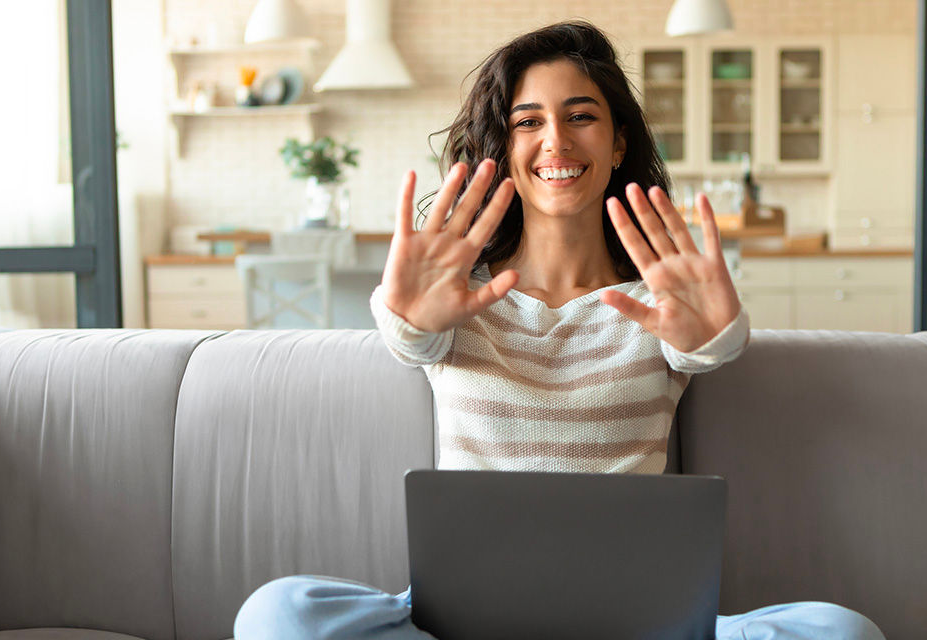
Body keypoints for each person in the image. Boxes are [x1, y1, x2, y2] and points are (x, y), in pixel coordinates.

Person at [234, 20, 885, 640]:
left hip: (637, 620)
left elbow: (708, 348)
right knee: (279, 612)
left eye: (581, 116)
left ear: (619, 141)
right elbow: (411, 337)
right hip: (462, 622)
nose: (556, 140)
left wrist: (720, 333)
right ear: (505, 149)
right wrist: (402, 311)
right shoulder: (457, 299)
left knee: (840, 631)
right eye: (528, 122)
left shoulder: (654, 307)